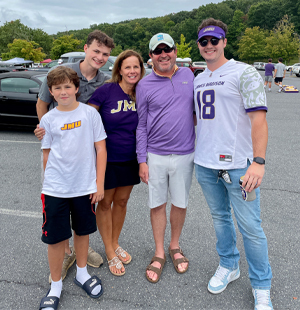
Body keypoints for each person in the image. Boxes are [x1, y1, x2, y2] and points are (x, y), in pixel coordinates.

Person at [193, 18, 273, 310]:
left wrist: (259, 162)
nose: (210, 45)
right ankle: (229, 265)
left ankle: (262, 286)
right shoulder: (198, 78)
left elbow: (259, 120)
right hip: (205, 164)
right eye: (204, 41)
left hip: (240, 167)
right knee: (220, 219)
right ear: (199, 45)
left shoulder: (244, 72)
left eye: (215, 40)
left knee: (251, 227)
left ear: (224, 41)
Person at [35, 29, 115, 282]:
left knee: (82, 212)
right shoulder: (62, 73)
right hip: (61, 150)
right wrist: (48, 131)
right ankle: (66, 251)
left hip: (88, 149)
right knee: (59, 212)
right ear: (85, 48)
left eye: (105, 54)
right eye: (96, 51)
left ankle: (81, 252)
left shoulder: (104, 80)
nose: (100, 57)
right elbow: (42, 103)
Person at [39, 66, 107, 309]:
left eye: (68, 86)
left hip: (84, 187)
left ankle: (81, 273)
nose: (64, 91)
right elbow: (46, 155)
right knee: (56, 238)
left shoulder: (90, 115)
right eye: (58, 88)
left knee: (82, 231)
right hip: (56, 189)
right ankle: (55, 285)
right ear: (51, 92)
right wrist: (48, 186)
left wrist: (99, 183)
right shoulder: (48, 119)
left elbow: (101, 149)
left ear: (77, 88)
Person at [136, 33, 195, 283]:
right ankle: (159, 251)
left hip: (185, 154)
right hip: (155, 155)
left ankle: (174, 246)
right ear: (150, 56)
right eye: (157, 51)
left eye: (167, 49)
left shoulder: (189, 76)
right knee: (157, 204)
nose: (163, 54)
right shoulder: (144, 85)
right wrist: (142, 160)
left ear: (175, 51)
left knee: (180, 204)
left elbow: (197, 112)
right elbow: (140, 125)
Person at [88, 50, 145, 276]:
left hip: (130, 157)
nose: (132, 71)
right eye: (127, 67)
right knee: (105, 203)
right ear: (119, 70)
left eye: (136, 67)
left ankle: (115, 241)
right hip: (107, 159)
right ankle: (110, 250)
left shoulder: (142, 92)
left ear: (141, 69)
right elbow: (86, 120)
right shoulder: (106, 91)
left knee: (121, 201)